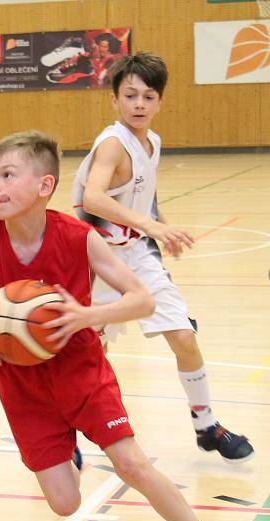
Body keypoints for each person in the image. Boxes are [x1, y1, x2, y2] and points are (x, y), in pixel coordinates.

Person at [0, 130, 251, 521]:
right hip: (20, 378)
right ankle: (68, 446)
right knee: (64, 503)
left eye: (8, 175)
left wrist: (86, 316)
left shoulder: (80, 238)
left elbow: (140, 300)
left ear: (44, 185)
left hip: (79, 368)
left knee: (132, 464)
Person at [71, 52, 253, 463]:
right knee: (91, 355)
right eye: (130, 95)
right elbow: (94, 198)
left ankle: (207, 426)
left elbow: (142, 194)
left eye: (148, 97)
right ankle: (70, 433)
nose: (139, 104)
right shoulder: (113, 144)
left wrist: (160, 225)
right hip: (96, 261)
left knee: (184, 337)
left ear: (160, 102)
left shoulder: (151, 142)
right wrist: (153, 226)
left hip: (138, 254)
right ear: (114, 100)